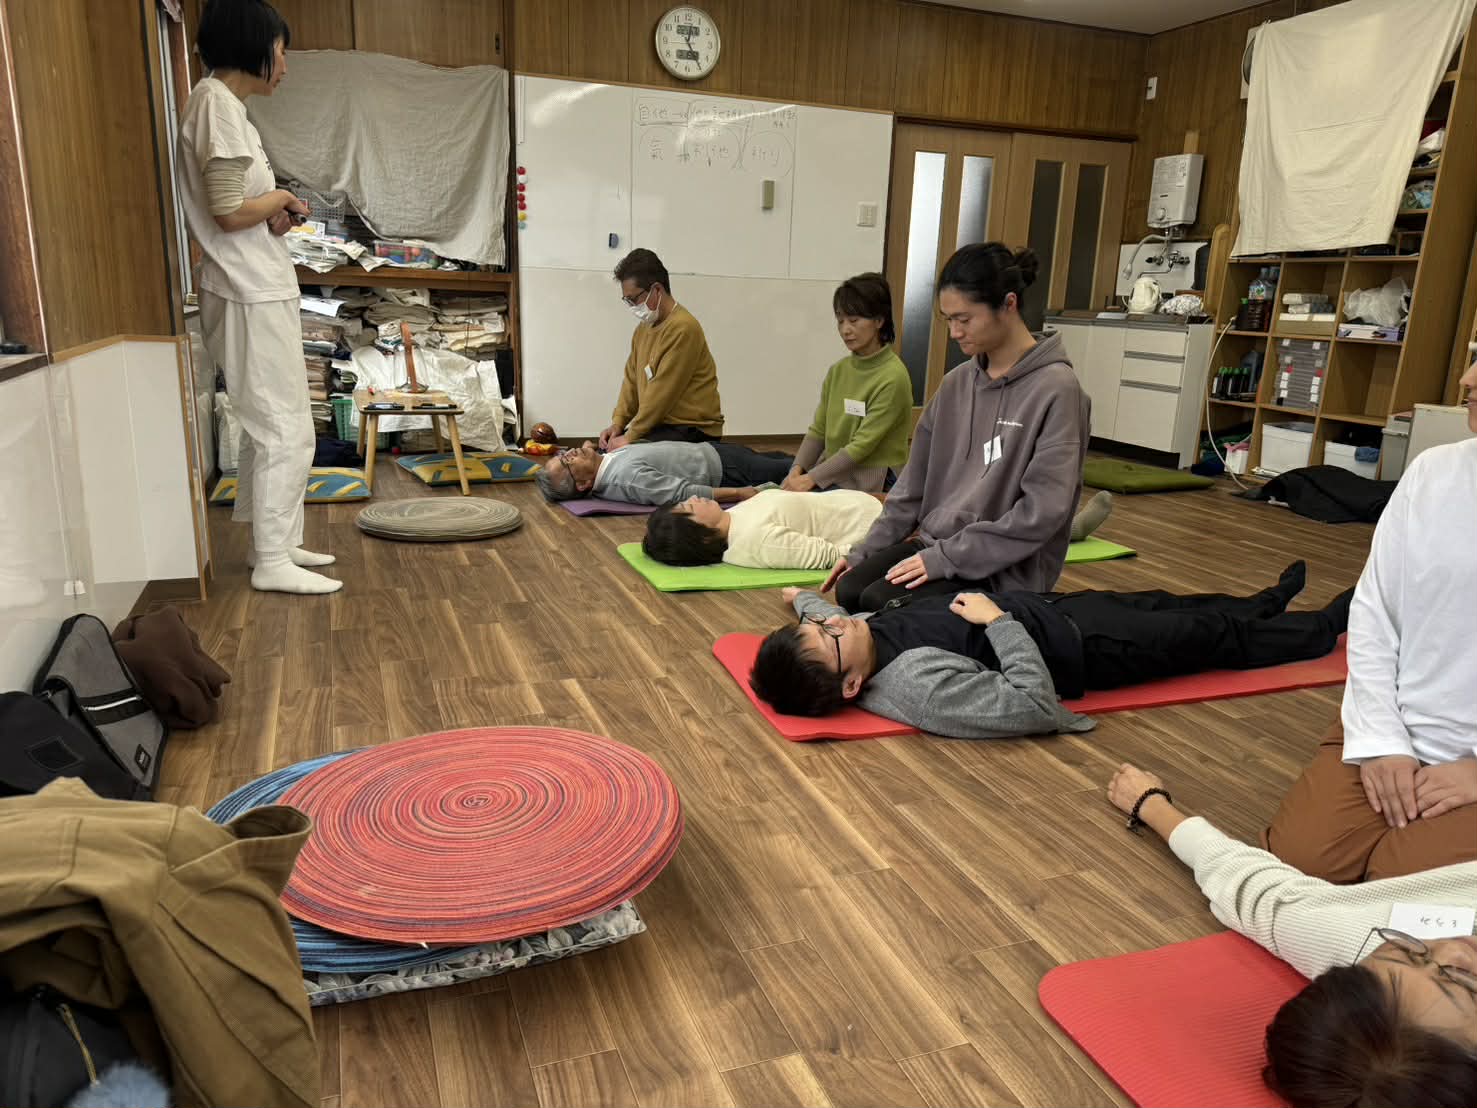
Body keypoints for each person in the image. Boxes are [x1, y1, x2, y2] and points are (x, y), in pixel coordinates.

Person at [1105, 763, 1477, 1108]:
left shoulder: (1354, 937)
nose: (1453, 947)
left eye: (1411, 951)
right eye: (1469, 984)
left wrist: (1151, 805)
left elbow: (1252, 886)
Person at [1263, 370, 1477, 882]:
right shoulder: (1433, 473)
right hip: (1400, 722)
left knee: (1397, 888)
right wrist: (1381, 740)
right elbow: (1375, 613)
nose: (1466, 378)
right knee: (1301, 866)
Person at [749, 563, 1351, 738]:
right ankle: (1324, 628)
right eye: (829, 635)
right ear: (851, 686)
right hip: (1087, 648)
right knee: (1210, 637)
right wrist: (997, 621)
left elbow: (827, 619)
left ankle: (1263, 601)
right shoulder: (917, 688)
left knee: (1168, 601)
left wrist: (802, 600)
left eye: (824, 624)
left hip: (1053, 608)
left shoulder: (848, 640)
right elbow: (1033, 705)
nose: (836, 623)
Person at [825, 243, 1090, 614]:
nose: (954, 332)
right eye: (948, 319)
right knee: (851, 589)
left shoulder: (1058, 389)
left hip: (1002, 568)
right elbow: (911, 487)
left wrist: (947, 558)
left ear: (1008, 304)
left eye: (964, 319)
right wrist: (865, 552)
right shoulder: (956, 383)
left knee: (881, 603)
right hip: (937, 545)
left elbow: (1042, 513)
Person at [178, 0, 340, 595]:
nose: (286, 65)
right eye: (281, 50)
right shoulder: (216, 106)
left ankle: (275, 543)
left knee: (278, 422)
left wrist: (275, 212)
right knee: (283, 427)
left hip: (254, 285)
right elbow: (226, 212)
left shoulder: (228, 110)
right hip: (244, 289)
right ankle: (272, 558)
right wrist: (277, 201)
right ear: (252, 46)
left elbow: (236, 208)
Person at [643, 488, 1115, 570]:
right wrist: (894, 539)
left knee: (974, 499)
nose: (695, 499)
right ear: (697, 535)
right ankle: (1067, 529)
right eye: (688, 509)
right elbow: (828, 556)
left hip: (873, 505)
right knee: (978, 520)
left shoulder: (739, 517)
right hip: (884, 526)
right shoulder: (754, 542)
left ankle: (1056, 522)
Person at [782, 274, 912, 495]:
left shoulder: (893, 376)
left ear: (879, 321)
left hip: (874, 480)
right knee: (779, 484)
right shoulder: (838, 370)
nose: (845, 330)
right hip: (836, 471)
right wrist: (796, 470)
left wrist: (810, 478)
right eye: (840, 321)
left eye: (854, 320)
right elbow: (818, 430)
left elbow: (862, 446)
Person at [600, 249, 724, 449]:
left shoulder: (683, 328)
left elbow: (662, 394)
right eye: (627, 301)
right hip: (661, 425)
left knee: (621, 455)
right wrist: (618, 423)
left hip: (692, 429)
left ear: (657, 289)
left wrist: (630, 437)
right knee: (607, 449)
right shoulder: (642, 330)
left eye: (634, 299)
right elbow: (631, 381)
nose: (632, 306)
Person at [534, 439, 792, 507]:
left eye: (562, 455)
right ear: (582, 484)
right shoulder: (626, 479)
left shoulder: (605, 462)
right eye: (566, 462)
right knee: (794, 469)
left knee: (783, 459)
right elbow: (682, 493)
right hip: (726, 468)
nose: (569, 454)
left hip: (713, 452)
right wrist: (740, 493)